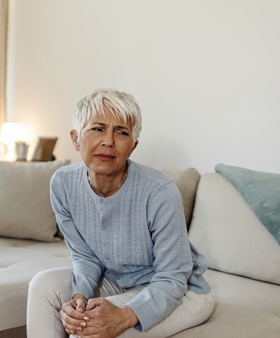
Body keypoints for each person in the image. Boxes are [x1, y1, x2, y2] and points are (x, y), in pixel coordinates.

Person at [26, 88, 214, 338]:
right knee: (43, 285)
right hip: (118, 280)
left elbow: (172, 278)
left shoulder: (159, 191)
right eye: (97, 128)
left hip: (179, 292)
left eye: (121, 132)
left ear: (133, 146)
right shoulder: (63, 184)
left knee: (87, 332)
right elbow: (85, 256)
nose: (108, 141)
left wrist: (123, 316)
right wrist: (79, 297)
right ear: (75, 138)